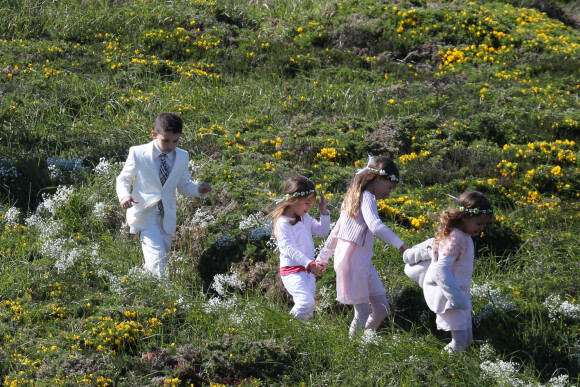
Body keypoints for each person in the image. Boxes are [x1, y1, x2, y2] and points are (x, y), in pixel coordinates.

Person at [317, 156, 407, 338]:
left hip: (362, 262)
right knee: (362, 311)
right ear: (379, 178)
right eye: (389, 187)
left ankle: (365, 341)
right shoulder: (366, 197)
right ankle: (353, 349)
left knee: (382, 308)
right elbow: (375, 225)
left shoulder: (355, 197)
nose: (389, 193)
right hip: (353, 262)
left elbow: (336, 231)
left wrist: (322, 257)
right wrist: (401, 245)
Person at [116, 113, 211, 278]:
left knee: (159, 259)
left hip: (167, 216)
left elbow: (182, 186)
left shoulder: (182, 156)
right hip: (145, 214)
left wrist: (198, 190)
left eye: (175, 141)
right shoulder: (138, 153)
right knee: (157, 260)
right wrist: (125, 196)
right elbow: (123, 178)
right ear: (154, 135)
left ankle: (146, 290)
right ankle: (167, 298)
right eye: (165, 140)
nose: (170, 146)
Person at [422, 190, 493, 353]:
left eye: (484, 225)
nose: (481, 228)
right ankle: (441, 368)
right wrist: (455, 298)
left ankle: (452, 368)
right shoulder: (456, 238)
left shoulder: (463, 235)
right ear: (465, 217)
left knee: (467, 340)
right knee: (460, 340)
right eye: (478, 223)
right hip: (452, 299)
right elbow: (441, 268)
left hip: (461, 297)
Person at [268, 175, 330, 319]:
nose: (310, 207)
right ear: (292, 200)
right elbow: (289, 249)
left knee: (308, 312)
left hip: (307, 272)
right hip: (292, 271)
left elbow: (322, 232)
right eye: (307, 202)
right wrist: (310, 264)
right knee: (305, 303)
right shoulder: (283, 223)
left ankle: (298, 338)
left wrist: (324, 213)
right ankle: (285, 329)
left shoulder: (304, 218)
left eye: (312, 203)